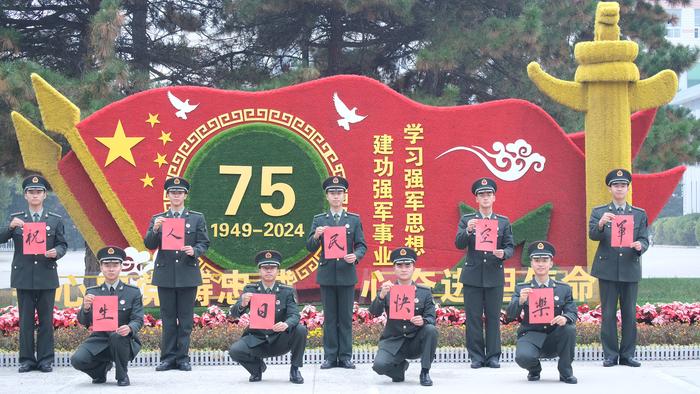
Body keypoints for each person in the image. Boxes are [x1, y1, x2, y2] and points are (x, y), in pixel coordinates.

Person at [0, 175, 67, 373]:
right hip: (24, 276)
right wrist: (10, 226)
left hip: (46, 275)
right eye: (31, 192)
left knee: (46, 321)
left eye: (39, 192)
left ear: (45, 195)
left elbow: (62, 244)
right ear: (25, 195)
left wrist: (57, 253)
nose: (35, 195)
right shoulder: (17, 218)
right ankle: (27, 360)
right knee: (26, 320)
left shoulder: (55, 220)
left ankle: (46, 360)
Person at [144, 176, 210, 371]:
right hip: (165, 275)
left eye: (179, 193)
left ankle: (183, 358)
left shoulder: (196, 218)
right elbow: (149, 244)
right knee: (168, 318)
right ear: (168, 195)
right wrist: (156, 229)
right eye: (173, 192)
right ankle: (167, 358)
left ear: (185, 196)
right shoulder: (159, 218)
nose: (176, 195)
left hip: (187, 273)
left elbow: (204, 242)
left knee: (186, 319)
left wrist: (195, 251)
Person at [589, 168, 649, 368]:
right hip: (607, 269)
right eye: (616, 185)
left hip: (630, 268)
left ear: (628, 188)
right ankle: (610, 355)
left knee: (630, 313)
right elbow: (592, 235)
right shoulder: (600, 212)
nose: (620, 189)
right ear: (610, 188)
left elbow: (644, 238)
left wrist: (641, 246)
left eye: (623, 185)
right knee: (607, 313)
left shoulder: (639, 214)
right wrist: (600, 225)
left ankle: (628, 355)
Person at [305, 176, 366, 369]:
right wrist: (316, 235)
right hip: (327, 275)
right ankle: (330, 357)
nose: (336, 196)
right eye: (332, 193)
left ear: (344, 196)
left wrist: (355, 256)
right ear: (327, 196)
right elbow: (309, 246)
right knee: (330, 318)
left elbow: (362, 245)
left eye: (339, 193)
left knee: (345, 318)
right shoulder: (320, 220)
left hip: (347, 273)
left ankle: (346, 356)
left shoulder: (354, 220)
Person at [454, 177, 514, 368]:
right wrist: (468, 231)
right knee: (473, 317)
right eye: (482, 195)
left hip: (494, 275)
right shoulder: (467, 220)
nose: (486, 197)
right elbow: (458, 243)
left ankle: (494, 356)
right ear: (476, 200)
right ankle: (476, 356)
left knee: (494, 316)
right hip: (472, 276)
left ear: (494, 198)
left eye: (489, 194)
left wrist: (503, 253)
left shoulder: (503, 222)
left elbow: (510, 246)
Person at [229, 250, 307, 384]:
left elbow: (294, 315)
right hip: (256, 338)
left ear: (277, 270)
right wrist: (242, 303)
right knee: (234, 351)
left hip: (279, 338)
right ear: (260, 270)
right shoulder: (250, 289)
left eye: (272, 268)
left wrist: (286, 324)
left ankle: (295, 369)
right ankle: (256, 369)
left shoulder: (286, 291)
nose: (269, 271)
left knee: (300, 329)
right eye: (265, 268)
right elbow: (234, 314)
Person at [71, 246, 144, 386]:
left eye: (115, 265)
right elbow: (84, 322)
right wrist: (85, 308)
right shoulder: (93, 292)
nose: (111, 269)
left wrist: (129, 328)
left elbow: (138, 319)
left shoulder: (132, 292)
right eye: (107, 265)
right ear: (101, 267)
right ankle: (100, 371)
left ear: (121, 267)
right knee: (77, 360)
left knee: (118, 336)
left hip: (123, 339)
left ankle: (122, 375)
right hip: (100, 338)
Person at [507, 241, 578, 384]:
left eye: (545, 260)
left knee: (569, 329)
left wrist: (565, 317)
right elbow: (510, 315)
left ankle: (565, 372)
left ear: (551, 263)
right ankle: (534, 369)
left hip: (554, 336)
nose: (541, 264)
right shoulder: (522, 288)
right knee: (523, 357)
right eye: (536, 260)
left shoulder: (563, 288)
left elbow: (572, 312)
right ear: (531, 264)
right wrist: (520, 301)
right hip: (531, 336)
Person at [370, 247, 437, 386]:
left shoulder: (424, 293)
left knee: (430, 329)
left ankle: (425, 372)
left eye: (408, 265)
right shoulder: (387, 290)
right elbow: (374, 312)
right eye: (399, 265)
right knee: (379, 366)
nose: (404, 269)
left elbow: (431, 318)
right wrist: (381, 295)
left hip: (415, 342)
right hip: (393, 341)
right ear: (394, 269)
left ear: (413, 268)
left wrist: (423, 321)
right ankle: (399, 369)